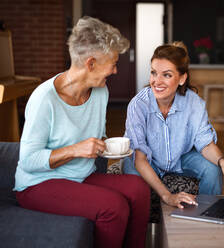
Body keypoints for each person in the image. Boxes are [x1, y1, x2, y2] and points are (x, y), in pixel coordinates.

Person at [13, 16, 150, 248]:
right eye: (113, 63)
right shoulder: (44, 99)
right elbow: (28, 161)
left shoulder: (100, 92)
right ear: (91, 63)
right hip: (38, 184)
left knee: (138, 189)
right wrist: (76, 150)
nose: (116, 70)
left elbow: (97, 135)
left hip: (80, 176)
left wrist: (107, 146)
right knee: (113, 206)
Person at [123, 41, 224, 209]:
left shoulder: (194, 103)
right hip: (146, 160)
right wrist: (167, 196)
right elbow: (140, 158)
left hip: (180, 156)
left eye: (166, 75)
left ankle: (206, 214)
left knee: (212, 168)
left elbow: (205, 144)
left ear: (182, 78)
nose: (156, 81)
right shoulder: (138, 105)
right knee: (131, 172)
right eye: (153, 73)